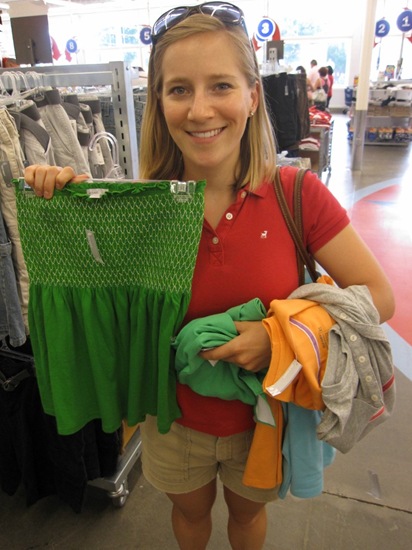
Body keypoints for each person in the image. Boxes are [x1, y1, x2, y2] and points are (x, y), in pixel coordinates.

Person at [24, 3, 395, 549]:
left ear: (252, 96)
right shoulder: (140, 207)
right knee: (190, 516)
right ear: (159, 102)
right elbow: (96, 301)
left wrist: (278, 337)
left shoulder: (297, 195)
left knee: (246, 519)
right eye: (179, 89)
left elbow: (379, 297)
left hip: (264, 418)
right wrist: (65, 201)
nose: (200, 110)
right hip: (174, 421)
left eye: (220, 85)